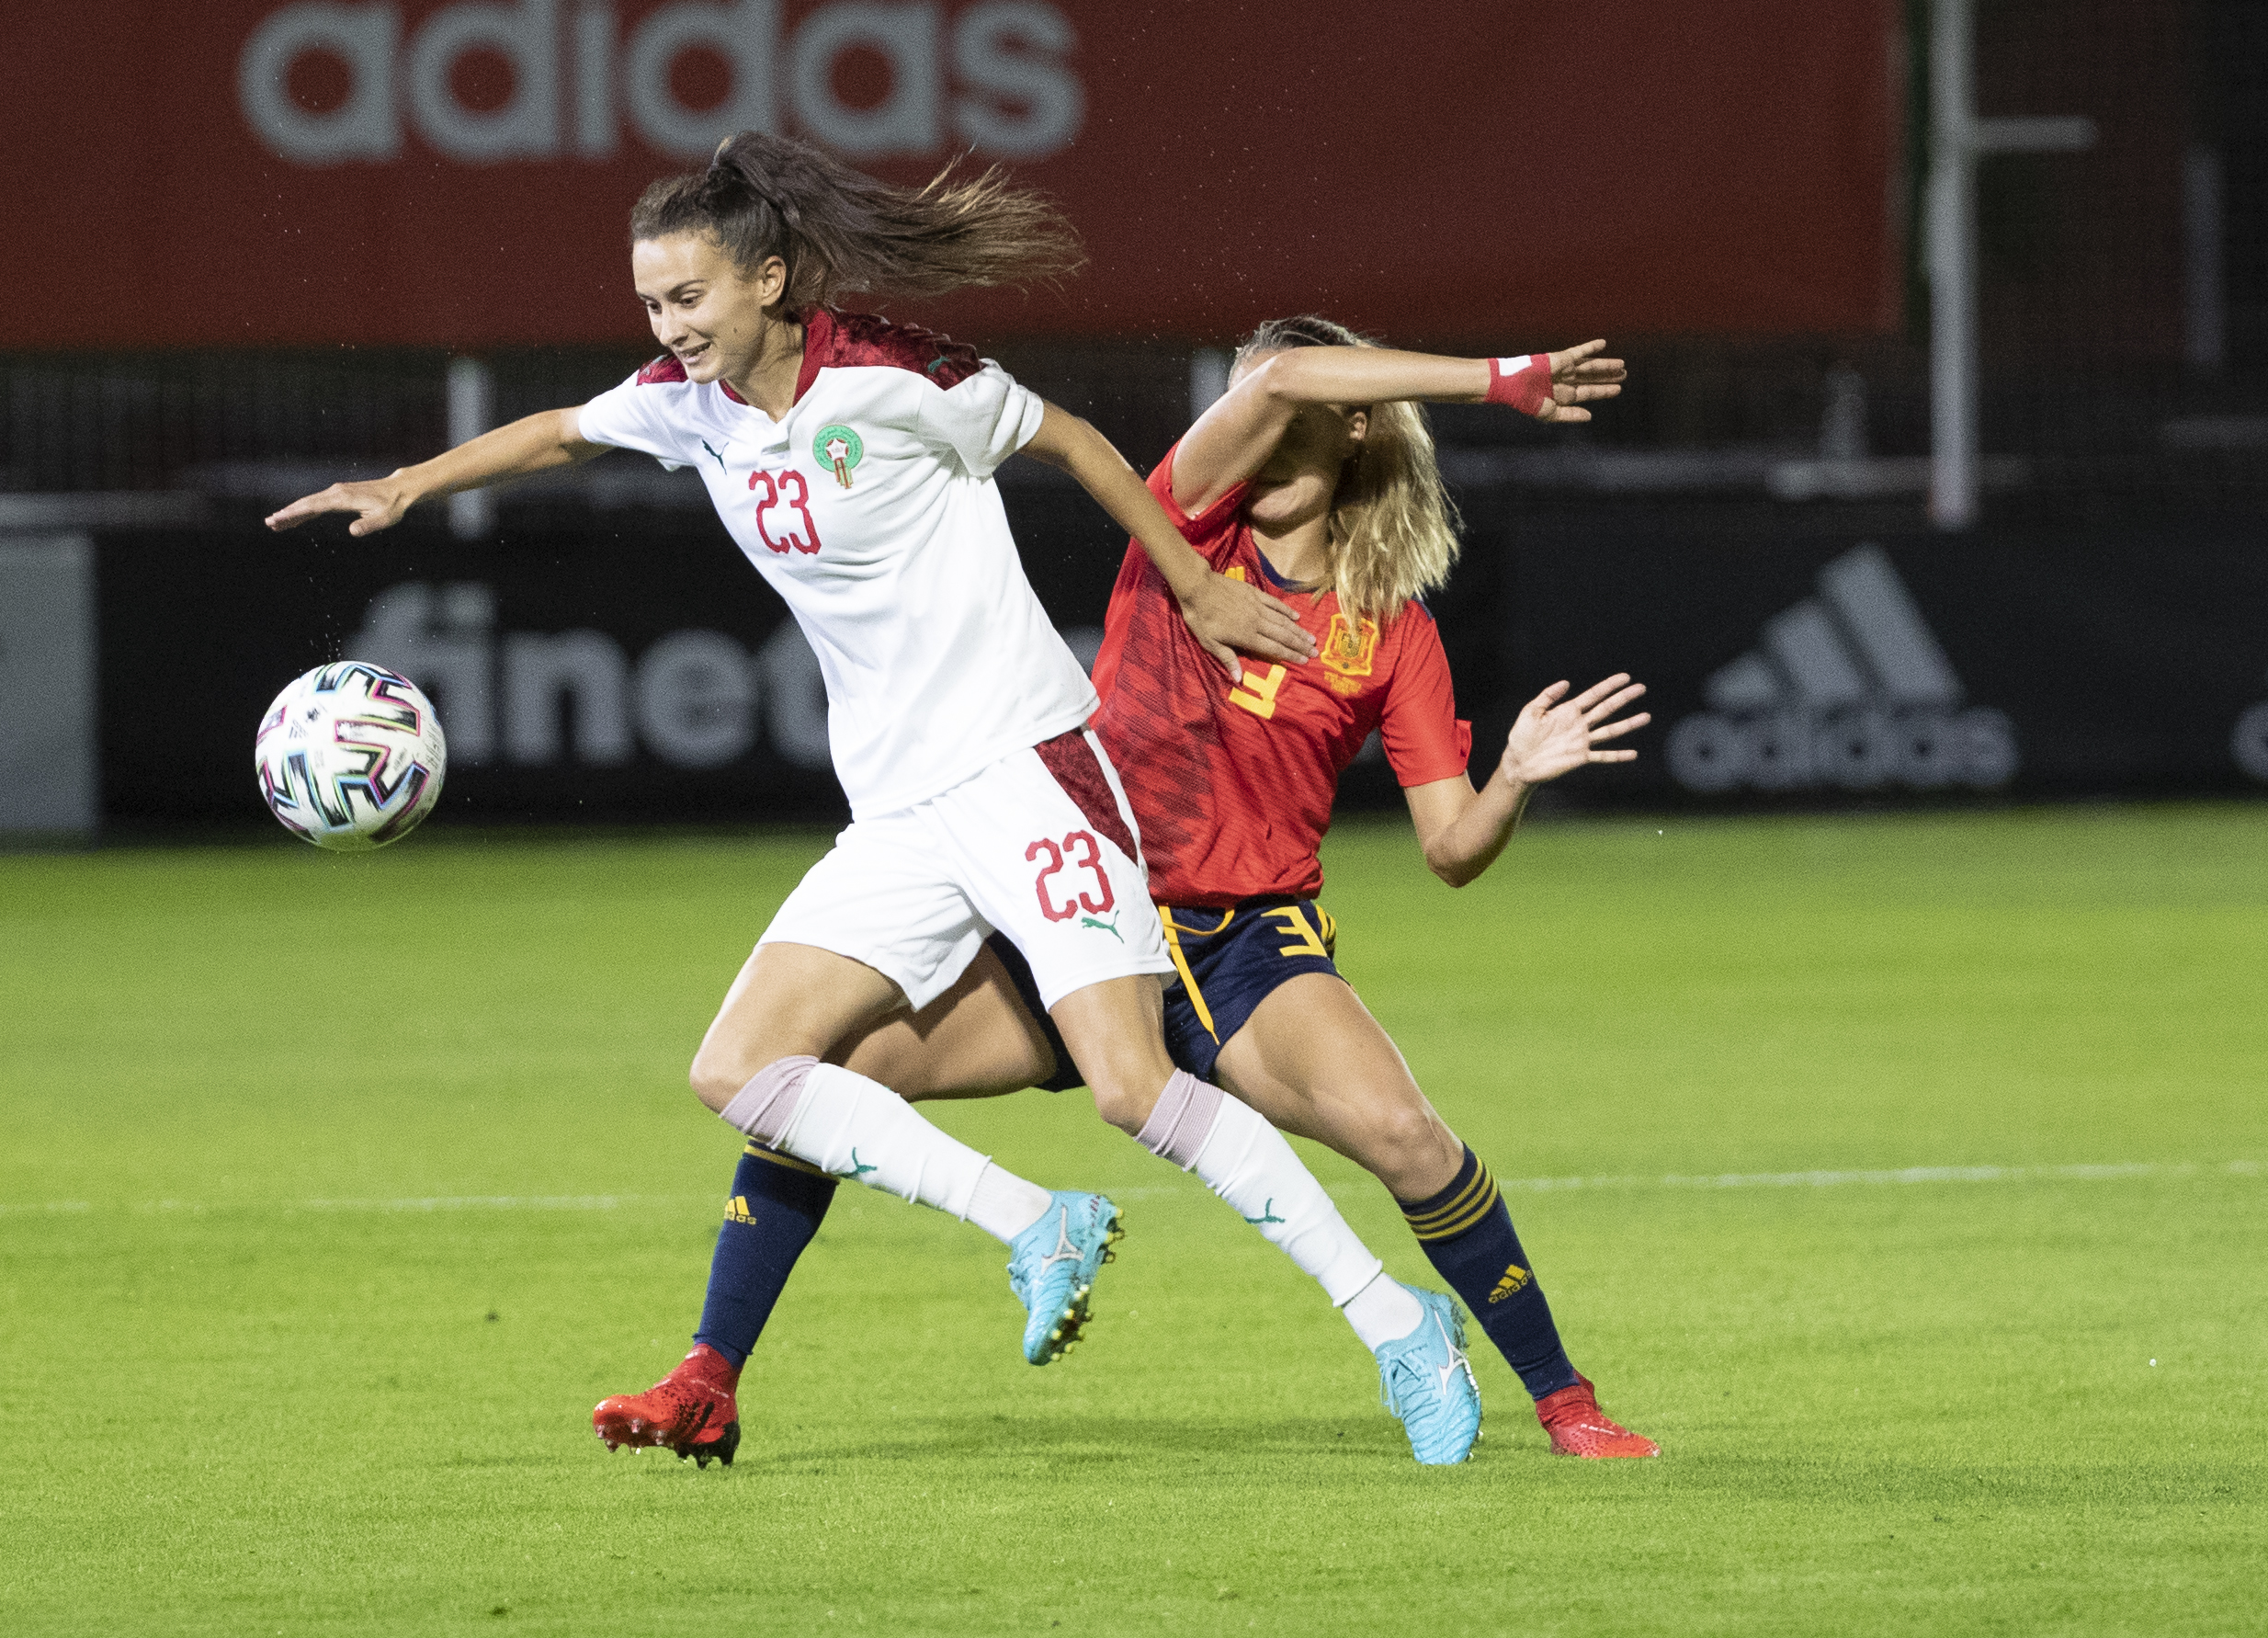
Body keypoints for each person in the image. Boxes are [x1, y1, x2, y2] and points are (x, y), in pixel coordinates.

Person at [266, 134, 1481, 1469]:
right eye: (652, 307)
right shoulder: (689, 402)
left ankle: (1396, 1322)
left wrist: (1193, 586)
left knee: (1135, 1091)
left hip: (1028, 772)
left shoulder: (900, 377)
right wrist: (409, 484)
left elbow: (1067, 436)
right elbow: (560, 429)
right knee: (739, 1070)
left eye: (690, 301)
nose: (669, 331)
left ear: (771, 277)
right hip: (901, 813)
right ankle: (1034, 1220)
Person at [605, 316, 1661, 1466]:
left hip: (1245, 944)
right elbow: (1290, 382)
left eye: (1273, 403)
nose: (1243, 418)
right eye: (1240, 398)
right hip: (1072, 898)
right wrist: (1500, 379)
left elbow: (1452, 848)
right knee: (813, 1086)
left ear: (1355, 423)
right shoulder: (1190, 525)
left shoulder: (1392, 634)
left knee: (1409, 1141)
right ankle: (709, 1376)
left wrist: (1509, 778)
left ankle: (1567, 1404)